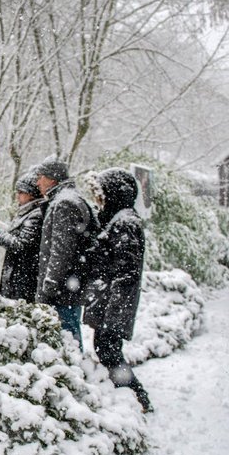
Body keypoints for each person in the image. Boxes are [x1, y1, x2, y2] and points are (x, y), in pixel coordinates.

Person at [83, 168, 152, 413]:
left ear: (114, 192)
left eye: (102, 193)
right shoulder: (117, 218)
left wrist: (113, 314)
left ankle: (136, 398)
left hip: (114, 305)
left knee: (109, 352)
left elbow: (126, 273)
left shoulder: (125, 223)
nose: (98, 198)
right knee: (106, 350)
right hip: (109, 303)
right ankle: (130, 397)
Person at [34, 158, 100, 351]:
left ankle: (72, 367)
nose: (37, 182)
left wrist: (50, 284)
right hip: (68, 285)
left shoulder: (64, 204)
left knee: (66, 338)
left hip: (63, 290)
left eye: (40, 177)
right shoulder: (68, 199)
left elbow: (61, 250)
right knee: (67, 335)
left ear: (52, 179)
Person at [0, 173, 47, 302]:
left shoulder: (36, 215)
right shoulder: (26, 212)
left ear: (31, 194)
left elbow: (22, 245)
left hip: (24, 280)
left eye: (21, 192)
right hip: (17, 278)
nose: (17, 195)